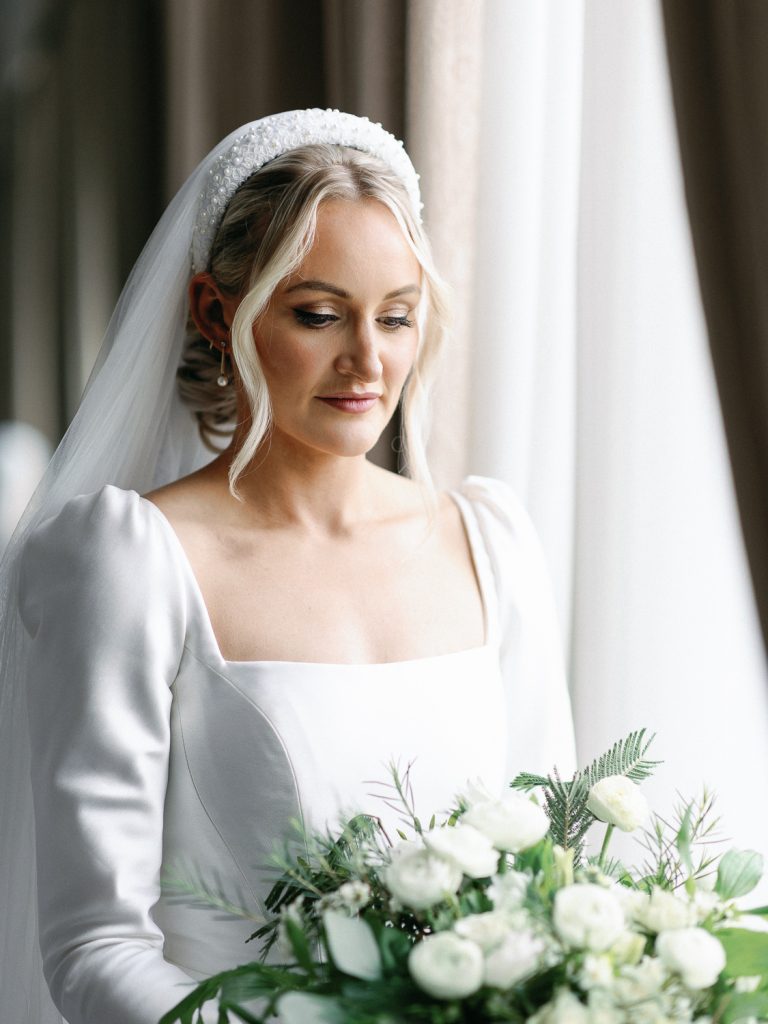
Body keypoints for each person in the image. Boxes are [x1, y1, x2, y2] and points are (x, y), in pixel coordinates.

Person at [0, 109, 576, 1024]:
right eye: (318, 314)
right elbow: (94, 944)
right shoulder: (130, 563)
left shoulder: (490, 546)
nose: (368, 361)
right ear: (213, 309)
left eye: (397, 317)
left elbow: (559, 870)